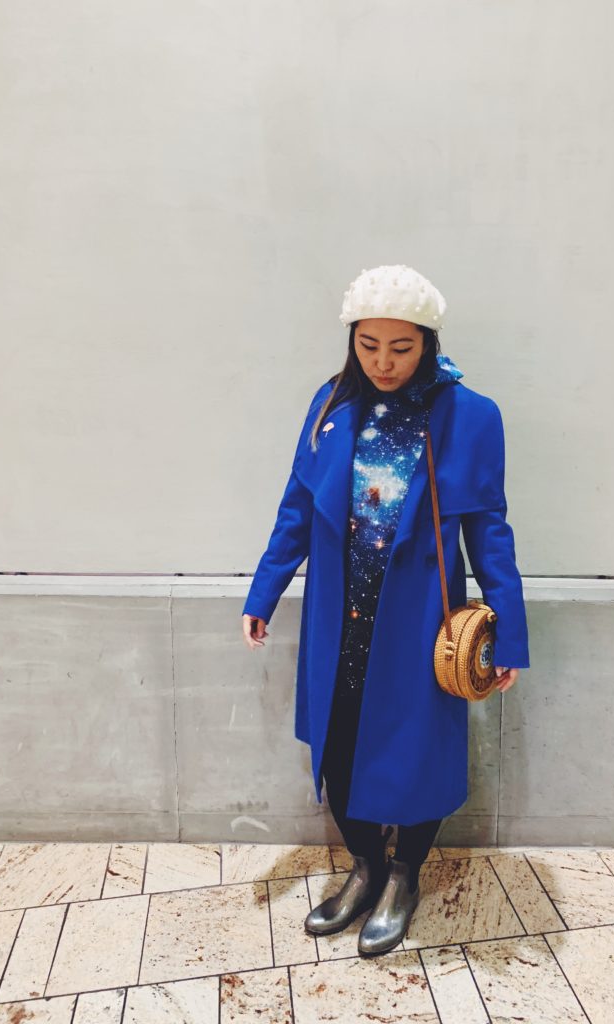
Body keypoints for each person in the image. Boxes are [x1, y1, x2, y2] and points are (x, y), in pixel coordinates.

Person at [242, 264, 529, 957]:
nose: (384, 362)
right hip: (336, 621)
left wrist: (509, 633)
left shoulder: (470, 416)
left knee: (417, 757)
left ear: (427, 342)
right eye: (369, 345)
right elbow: (295, 512)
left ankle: (405, 877)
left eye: (401, 348)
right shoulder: (330, 406)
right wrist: (264, 593)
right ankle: (365, 868)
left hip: (419, 625)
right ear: (353, 341)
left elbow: (489, 529)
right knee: (337, 754)